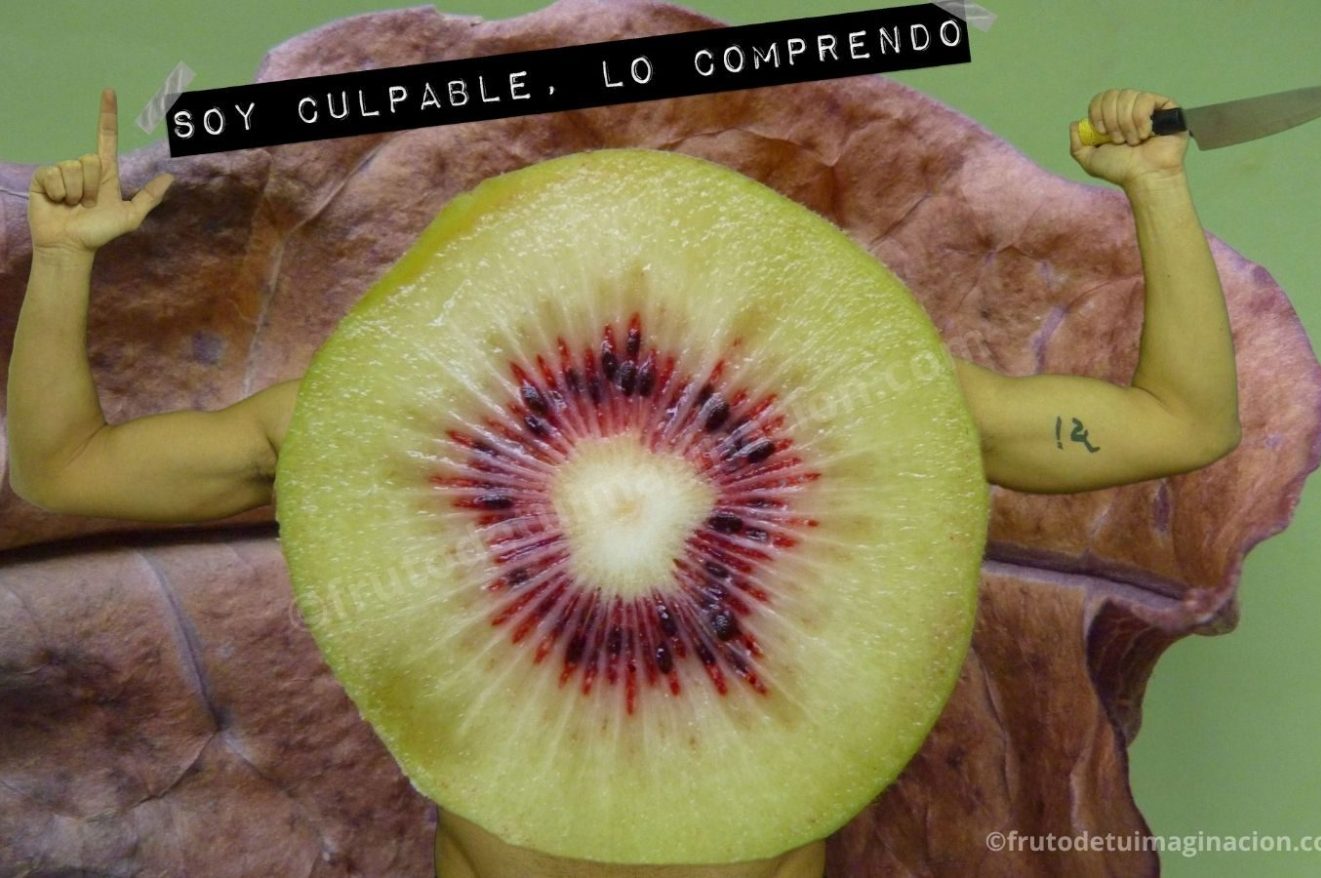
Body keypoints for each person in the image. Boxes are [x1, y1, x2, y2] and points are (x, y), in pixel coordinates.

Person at [7, 87, 1240, 878]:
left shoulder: (890, 408)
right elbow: (65, 469)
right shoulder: (354, 431)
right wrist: (63, 262)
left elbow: (1181, 423)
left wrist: (1157, 189)